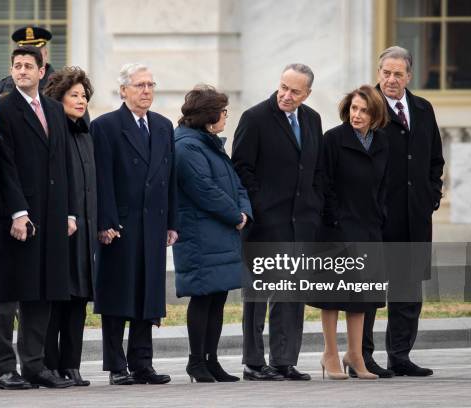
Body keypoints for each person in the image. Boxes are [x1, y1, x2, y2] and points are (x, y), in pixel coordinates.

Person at [232, 63, 324, 381]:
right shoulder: (254, 118)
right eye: (283, 87)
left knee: (292, 294)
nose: (286, 95)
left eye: (295, 91)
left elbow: (316, 169)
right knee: (259, 297)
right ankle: (253, 363)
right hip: (265, 223)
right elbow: (242, 170)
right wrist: (261, 207)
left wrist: (315, 204)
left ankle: (284, 360)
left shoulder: (312, 119)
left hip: (301, 223)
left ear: (307, 93)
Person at [0, 45, 76, 390]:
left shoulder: (55, 110)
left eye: (29, 65)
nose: (22, 70)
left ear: (42, 72)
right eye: (17, 66)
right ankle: (4, 368)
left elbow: (64, 162)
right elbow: (5, 165)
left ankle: (34, 365)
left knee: (43, 290)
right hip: (18, 217)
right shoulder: (4, 109)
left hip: (52, 214)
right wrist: (17, 212)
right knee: (10, 294)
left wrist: (69, 212)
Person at [91, 63, 177, 385]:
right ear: (123, 90)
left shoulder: (163, 126)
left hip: (153, 225)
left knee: (147, 294)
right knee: (118, 295)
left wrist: (172, 221)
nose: (146, 91)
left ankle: (143, 363)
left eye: (150, 85)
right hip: (120, 226)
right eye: (139, 85)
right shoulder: (106, 126)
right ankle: (116, 365)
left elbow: (170, 179)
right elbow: (103, 179)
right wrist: (106, 222)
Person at [360, 46, 444, 378]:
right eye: (386, 72)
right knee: (369, 290)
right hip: (378, 217)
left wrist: (431, 197)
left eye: (398, 74)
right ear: (378, 73)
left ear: (409, 76)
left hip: (415, 215)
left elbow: (435, 159)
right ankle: (362, 357)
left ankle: (400, 356)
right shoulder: (366, 107)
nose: (391, 79)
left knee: (408, 290)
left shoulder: (423, 109)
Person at [308, 85, 390, 380]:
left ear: (375, 114)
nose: (357, 114)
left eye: (364, 110)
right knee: (332, 295)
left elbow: (384, 186)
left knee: (362, 296)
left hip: (369, 227)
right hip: (335, 228)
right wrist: (333, 218)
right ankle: (329, 353)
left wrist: (381, 215)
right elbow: (323, 182)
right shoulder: (333, 139)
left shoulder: (382, 143)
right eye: (354, 108)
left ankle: (355, 355)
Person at [173, 85, 251, 383]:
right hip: (199, 235)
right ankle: (196, 362)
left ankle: (212, 360)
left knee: (217, 298)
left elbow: (235, 182)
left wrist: (244, 212)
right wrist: (235, 215)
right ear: (209, 115)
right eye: (223, 111)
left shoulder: (209, 143)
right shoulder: (186, 146)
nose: (226, 116)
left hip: (219, 232)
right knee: (203, 299)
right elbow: (204, 190)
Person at [42, 66, 97, 386]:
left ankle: (71, 364)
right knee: (58, 297)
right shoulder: (53, 131)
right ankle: (49, 363)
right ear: (58, 98)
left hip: (86, 230)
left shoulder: (86, 132)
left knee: (79, 298)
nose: (81, 100)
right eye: (74, 95)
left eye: (84, 96)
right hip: (61, 228)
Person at [0, 26, 55, 101]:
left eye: (35, 52)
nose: (30, 57)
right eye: (24, 53)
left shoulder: (60, 85)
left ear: (45, 54)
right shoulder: (3, 86)